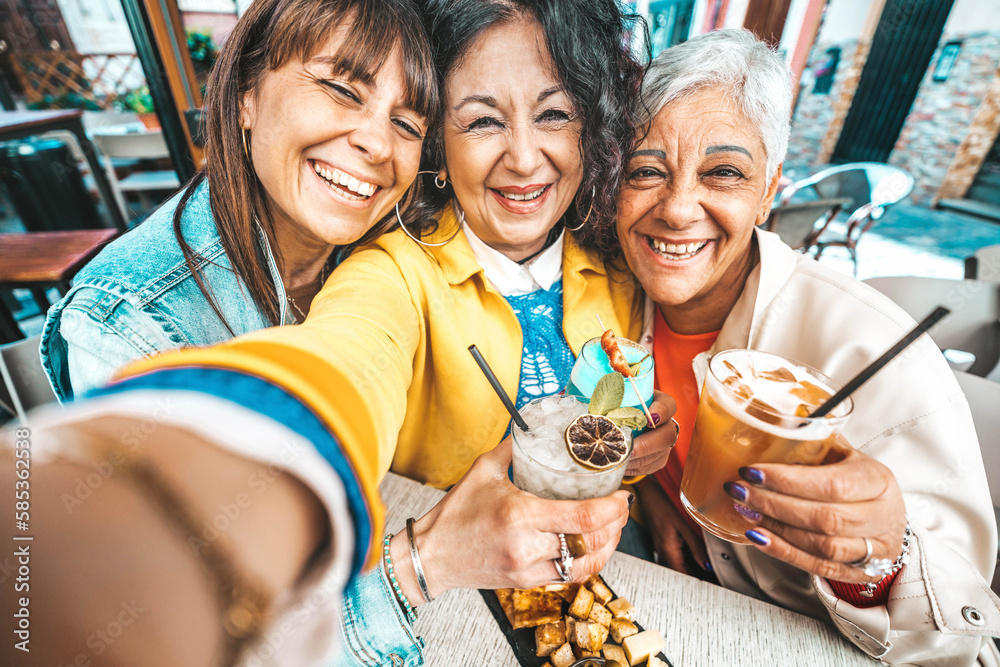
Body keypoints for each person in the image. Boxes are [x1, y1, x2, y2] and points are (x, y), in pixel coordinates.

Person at [621, 29, 1000, 665]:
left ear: (770, 191)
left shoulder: (868, 348)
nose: (679, 208)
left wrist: (880, 564)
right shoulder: (610, 296)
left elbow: (962, 641)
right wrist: (658, 495)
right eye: (648, 171)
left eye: (724, 172)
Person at [39, 0, 439, 401]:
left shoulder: (403, 253)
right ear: (247, 93)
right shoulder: (133, 324)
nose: (379, 145)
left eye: (406, 124)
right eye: (342, 91)